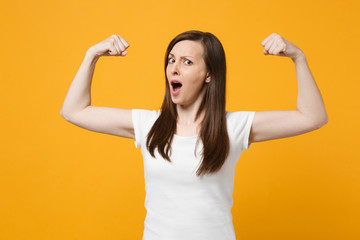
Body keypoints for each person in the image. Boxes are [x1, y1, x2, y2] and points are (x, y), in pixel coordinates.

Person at [60, 30, 328, 239]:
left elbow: (312, 117)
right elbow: (74, 110)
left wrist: (298, 58)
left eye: (187, 62)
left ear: (209, 74)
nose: (174, 68)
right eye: (171, 60)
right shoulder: (148, 124)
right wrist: (91, 55)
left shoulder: (232, 127)